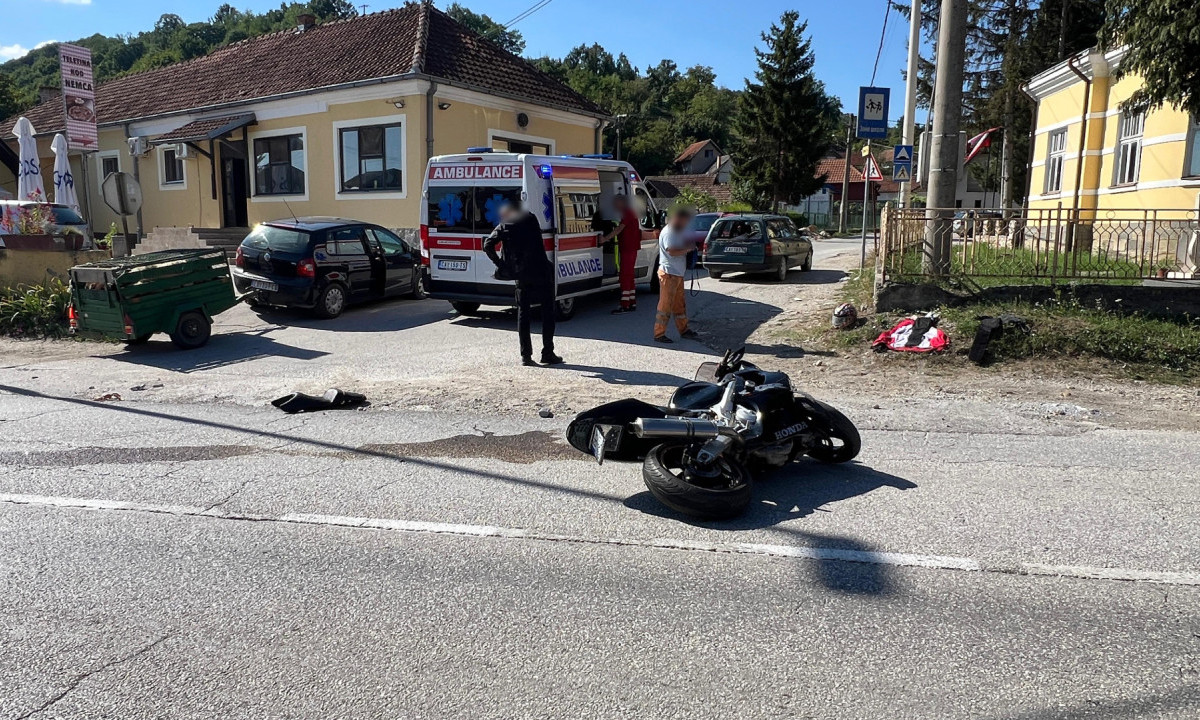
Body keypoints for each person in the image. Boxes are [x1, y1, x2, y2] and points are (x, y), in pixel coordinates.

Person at [483, 200, 563, 366]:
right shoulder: (531, 218)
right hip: (541, 271)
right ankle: (547, 352)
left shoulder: (505, 225)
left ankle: (526, 356)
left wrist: (501, 265)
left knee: (523, 313)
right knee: (548, 312)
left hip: (522, 274)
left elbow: (488, 244)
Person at [654, 206, 701, 343]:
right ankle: (659, 334)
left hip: (677, 273)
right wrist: (688, 249)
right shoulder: (670, 232)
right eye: (687, 220)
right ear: (679, 219)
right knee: (665, 306)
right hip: (669, 273)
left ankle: (684, 330)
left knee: (679, 305)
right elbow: (671, 251)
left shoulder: (678, 230)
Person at [611, 194, 643, 314]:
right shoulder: (630, 212)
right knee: (629, 276)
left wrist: (605, 238)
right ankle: (631, 302)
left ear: (622, 202)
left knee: (625, 276)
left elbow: (619, 229)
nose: (614, 205)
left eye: (616, 202)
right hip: (631, 248)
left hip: (628, 248)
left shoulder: (627, 213)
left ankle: (625, 305)